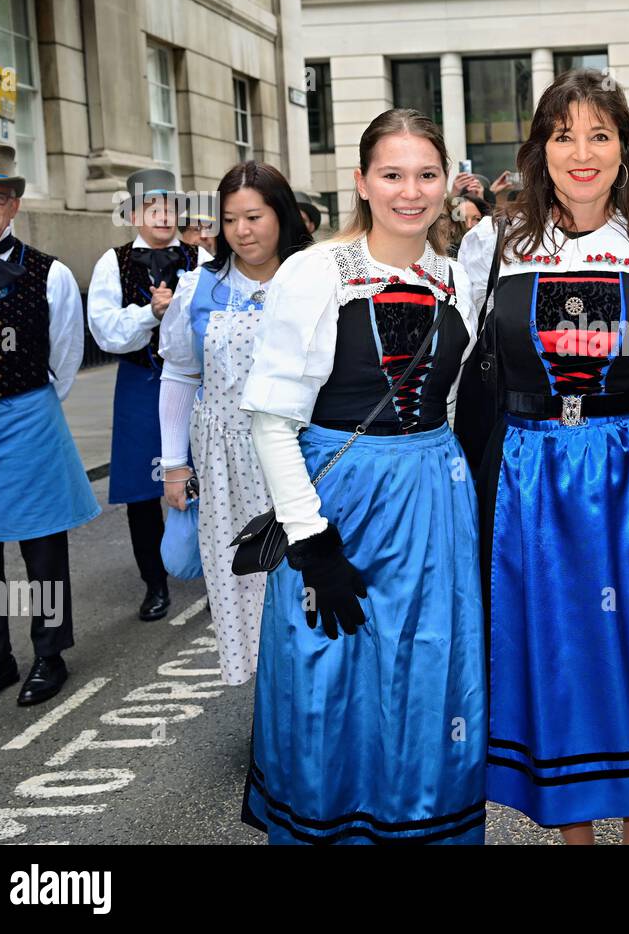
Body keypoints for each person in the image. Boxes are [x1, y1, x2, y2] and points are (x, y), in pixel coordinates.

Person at [458, 70, 629, 844]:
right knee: (557, 648)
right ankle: (575, 836)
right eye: (563, 135)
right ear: (539, 150)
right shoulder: (493, 245)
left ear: (623, 148)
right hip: (529, 474)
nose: (581, 152)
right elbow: (456, 363)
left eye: (599, 134)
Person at [240, 109, 485, 844]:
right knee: (331, 675)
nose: (410, 191)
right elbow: (271, 417)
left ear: (446, 183)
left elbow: (448, 399)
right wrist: (310, 539)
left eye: (426, 175)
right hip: (337, 502)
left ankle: (422, 827)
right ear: (362, 182)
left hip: (433, 499)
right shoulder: (315, 273)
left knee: (426, 670)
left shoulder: (456, 278)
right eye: (392, 175)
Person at [158, 161, 310, 686]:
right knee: (241, 585)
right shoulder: (199, 286)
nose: (242, 231)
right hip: (225, 464)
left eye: (254, 216)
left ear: (281, 215)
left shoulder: (313, 278)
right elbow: (179, 373)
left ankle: (312, 708)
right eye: (229, 220)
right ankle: (265, 714)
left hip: (302, 455)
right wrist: (174, 465)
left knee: (303, 580)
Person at [0, 143, 99, 709]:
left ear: (15, 205)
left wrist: (27, 404)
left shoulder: (53, 273)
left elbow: (65, 357)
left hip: (29, 417)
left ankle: (49, 654)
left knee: (42, 548)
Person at [87, 169, 202, 622]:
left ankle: (213, 567)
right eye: (153, 208)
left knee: (203, 477)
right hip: (138, 383)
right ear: (133, 214)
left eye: (171, 207)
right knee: (140, 492)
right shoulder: (110, 262)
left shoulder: (201, 256)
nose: (163, 215)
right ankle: (155, 584)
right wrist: (149, 314)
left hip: (195, 384)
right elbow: (104, 332)